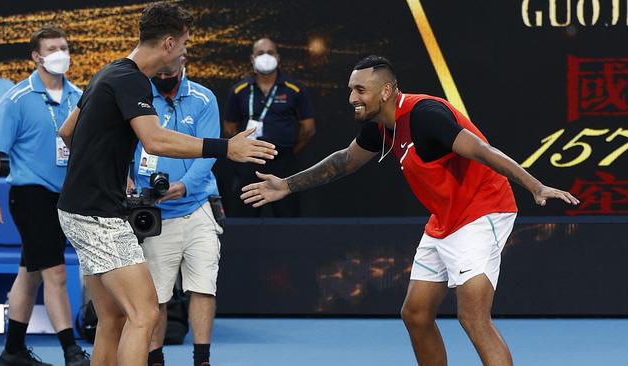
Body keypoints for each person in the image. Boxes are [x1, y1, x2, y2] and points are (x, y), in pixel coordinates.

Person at [240, 55, 580, 366]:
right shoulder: (381, 126)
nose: (352, 98)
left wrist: (535, 186)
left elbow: (482, 151)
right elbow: (344, 161)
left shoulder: (425, 116)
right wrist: (286, 185)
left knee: (474, 318)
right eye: (350, 90)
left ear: (386, 90)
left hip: (482, 210)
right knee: (416, 314)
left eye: (360, 89)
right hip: (445, 219)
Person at [55, 3, 276, 366]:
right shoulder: (131, 81)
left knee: (113, 318)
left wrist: (105, 169)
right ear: (169, 44)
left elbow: (67, 131)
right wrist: (227, 148)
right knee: (144, 315)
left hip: (79, 209)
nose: (186, 51)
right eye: (185, 44)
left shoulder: (108, 72)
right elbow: (154, 140)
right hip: (98, 216)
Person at [0, 27, 89, 366]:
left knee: (29, 272)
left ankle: (12, 350)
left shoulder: (79, 96)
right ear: (36, 56)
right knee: (54, 272)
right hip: (30, 195)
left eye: (65, 47)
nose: (61, 53)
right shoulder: (17, 98)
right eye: (53, 48)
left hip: (66, 196)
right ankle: (71, 350)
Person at [132, 60, 222, 366]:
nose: (165, 75)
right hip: (154, 213)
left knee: (203, 286)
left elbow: (210, 151)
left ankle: (202, 360)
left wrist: (184, 186)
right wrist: (129, 183)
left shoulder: (204, 98)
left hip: (198, 207)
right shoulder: (139, 100)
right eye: (160, 70)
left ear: (183, 62)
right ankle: (156, 360)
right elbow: (124, 148)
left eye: (171, 69)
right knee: (157, 295)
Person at [223, 37, 314, 217]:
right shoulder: (239, 90)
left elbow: (308, 129)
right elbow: (229, 128)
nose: (265, 57)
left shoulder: (295, 89)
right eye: (260, 53)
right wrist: (245, 150)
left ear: (278, 58)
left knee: (289, 219)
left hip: (283, 165)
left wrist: (289, 152)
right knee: (244, 219)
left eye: (270, 53)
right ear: (252, 58)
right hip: (249, 164)